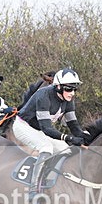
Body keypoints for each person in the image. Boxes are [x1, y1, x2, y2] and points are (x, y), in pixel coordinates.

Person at [14, 68, 89, 197]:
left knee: (66, 150)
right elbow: (47, 129)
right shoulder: (44, 96)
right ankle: (33, 189)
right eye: (69, 89)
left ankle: (50, 181)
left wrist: (86, 137)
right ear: (58, 86)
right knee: (46, 147)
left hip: (39, 129)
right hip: (23, 126)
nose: (72, 93)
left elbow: (74, 126)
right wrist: (69, 138)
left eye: (74, 89)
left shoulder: (69, 100)